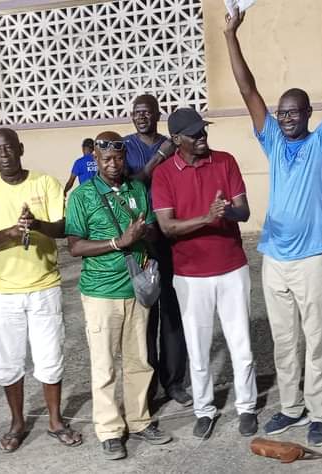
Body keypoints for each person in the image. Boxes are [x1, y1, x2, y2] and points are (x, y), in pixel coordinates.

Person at [224, 1, 322, 446]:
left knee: (318, 340)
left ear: (306, 115)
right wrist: (230, 35)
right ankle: (291, 407)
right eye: (280, 113)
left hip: (314, 259)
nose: (284, 118)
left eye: (292, 112)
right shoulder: (273, 144)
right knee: (284, 342)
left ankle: (319, 411)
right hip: (275, 259)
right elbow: (248, 92)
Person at [0, 127, 82, 452]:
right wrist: (12, 232)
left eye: (8, 148)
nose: (3, 155)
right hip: (1, 290)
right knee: (8, 360)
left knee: (50, 356)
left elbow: (63, 227)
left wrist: (37, 225)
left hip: (44, 286)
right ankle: (17, 422)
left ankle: (56, 420)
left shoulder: (45, 183)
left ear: (21, 148)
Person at [65, 131, 173, 460]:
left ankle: (140, 421)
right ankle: (110, 430)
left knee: (139, 360)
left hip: (136, 289)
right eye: (106, 159)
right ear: (94, 160)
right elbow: (74, 246)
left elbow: (150, 227)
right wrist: (119, 242)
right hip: (101, 293)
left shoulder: (137, 189)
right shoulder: (82, 196)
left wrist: (144, 234)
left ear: (125, 157)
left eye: (118, 158)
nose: (113, 165)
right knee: (104, 365)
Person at [151, 108, 257, 440]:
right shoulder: (165, 174)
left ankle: (247, 406)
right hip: (189, 273)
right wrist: (208, 218)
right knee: (197, 346)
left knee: (240, 342)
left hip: (231, 267)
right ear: (176, 140)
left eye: (203, 131)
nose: (202, 137)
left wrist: (229, 210)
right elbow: (167, 227)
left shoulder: (225, 161)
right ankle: (204, 409)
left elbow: (244, 210)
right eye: (194, 134)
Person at [122, 93, 192, 407]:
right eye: (137, 112)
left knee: (174, 311)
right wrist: (158, 159)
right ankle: (147, 386)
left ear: (157, 114)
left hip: (171, 236)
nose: (142, 117)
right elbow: (129, 183)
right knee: (145, 315)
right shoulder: (124, 147)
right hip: (141, 240)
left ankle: (174, 382)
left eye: (147, 111)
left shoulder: (173, 142)